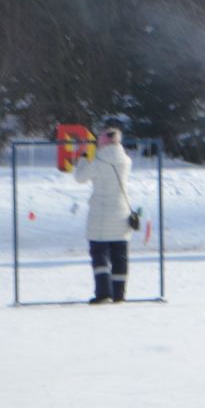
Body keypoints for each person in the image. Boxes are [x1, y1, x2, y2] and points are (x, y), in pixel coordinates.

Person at [73, 124, 134, 303]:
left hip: (100, 216)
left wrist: (84, 156)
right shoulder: (126, 161)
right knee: (120, 256)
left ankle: (103, 293)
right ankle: (119, 294)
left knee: (100, 255)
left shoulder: (98, 163)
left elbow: (80, 177)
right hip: (122, 213)